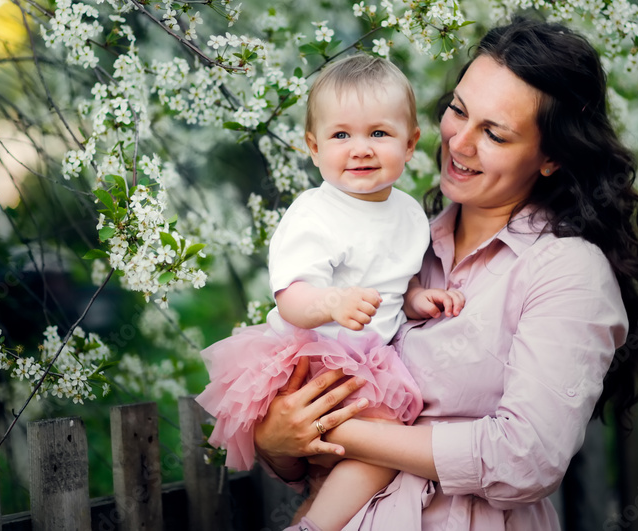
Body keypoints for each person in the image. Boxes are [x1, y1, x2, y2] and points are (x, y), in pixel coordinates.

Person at [252, 17, 638, 530]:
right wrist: (277, 440)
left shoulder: (564, 271)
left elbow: (526, 459)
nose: (460, 143)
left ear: (551, 156)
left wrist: (342, 428)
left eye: (493, 133)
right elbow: (302, 457)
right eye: (458, 111)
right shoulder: (405, 245)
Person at [197, 54, 466, 531]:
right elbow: (292, 297)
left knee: (376, 448)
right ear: (313, 146)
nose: (360, 149)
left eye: (378, 133)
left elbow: (393, 277)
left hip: (366, 361)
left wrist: (416, 297)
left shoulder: (407, 213)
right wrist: (333, 303)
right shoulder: (315, 215)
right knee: (386, 440)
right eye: (341, 135)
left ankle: (320, 520)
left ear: (410, 145)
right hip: (315, 356)